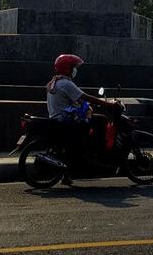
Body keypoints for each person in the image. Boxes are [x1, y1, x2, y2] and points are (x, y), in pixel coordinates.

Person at [46, 53, 118, 185]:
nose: (75, 70)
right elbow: (85, 97)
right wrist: (107, 104)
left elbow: (77, 101)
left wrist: (86, 107)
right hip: (65, 120)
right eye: (73, 67)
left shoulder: (54, 82)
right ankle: (92, 155)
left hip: (58, 118)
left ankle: (68, 173)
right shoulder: (66, 84)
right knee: (100, 121)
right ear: (68, 68)